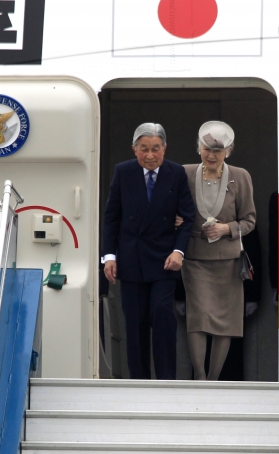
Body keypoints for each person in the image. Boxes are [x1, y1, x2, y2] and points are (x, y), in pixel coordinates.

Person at [102, 123, 195, 380]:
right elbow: (112, 218)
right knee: (135, 323)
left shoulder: (176, 173)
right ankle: (138, 383)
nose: (151, 155)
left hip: (165, 261)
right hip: (131, 261)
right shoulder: (123, 172)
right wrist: (109, 256)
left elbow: (188, 218)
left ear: (164, 149)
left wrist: (179, 251)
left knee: (162, 314)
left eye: (156, 149)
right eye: (144, 149)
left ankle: (166, 381)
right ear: (134, 149)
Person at [181, 121, 256, 380]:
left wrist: (226, 229)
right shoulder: (185, 173)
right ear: (198, 149)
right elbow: (172, 209)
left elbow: (250, 220)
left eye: (218, 150)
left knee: (225, 323)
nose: (211, 155)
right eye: (206, 149)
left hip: (228, 260)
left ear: (229, 151)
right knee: (198, 319)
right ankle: (199, 377)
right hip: (195, 258)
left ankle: (213, 379)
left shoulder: (241, 176)